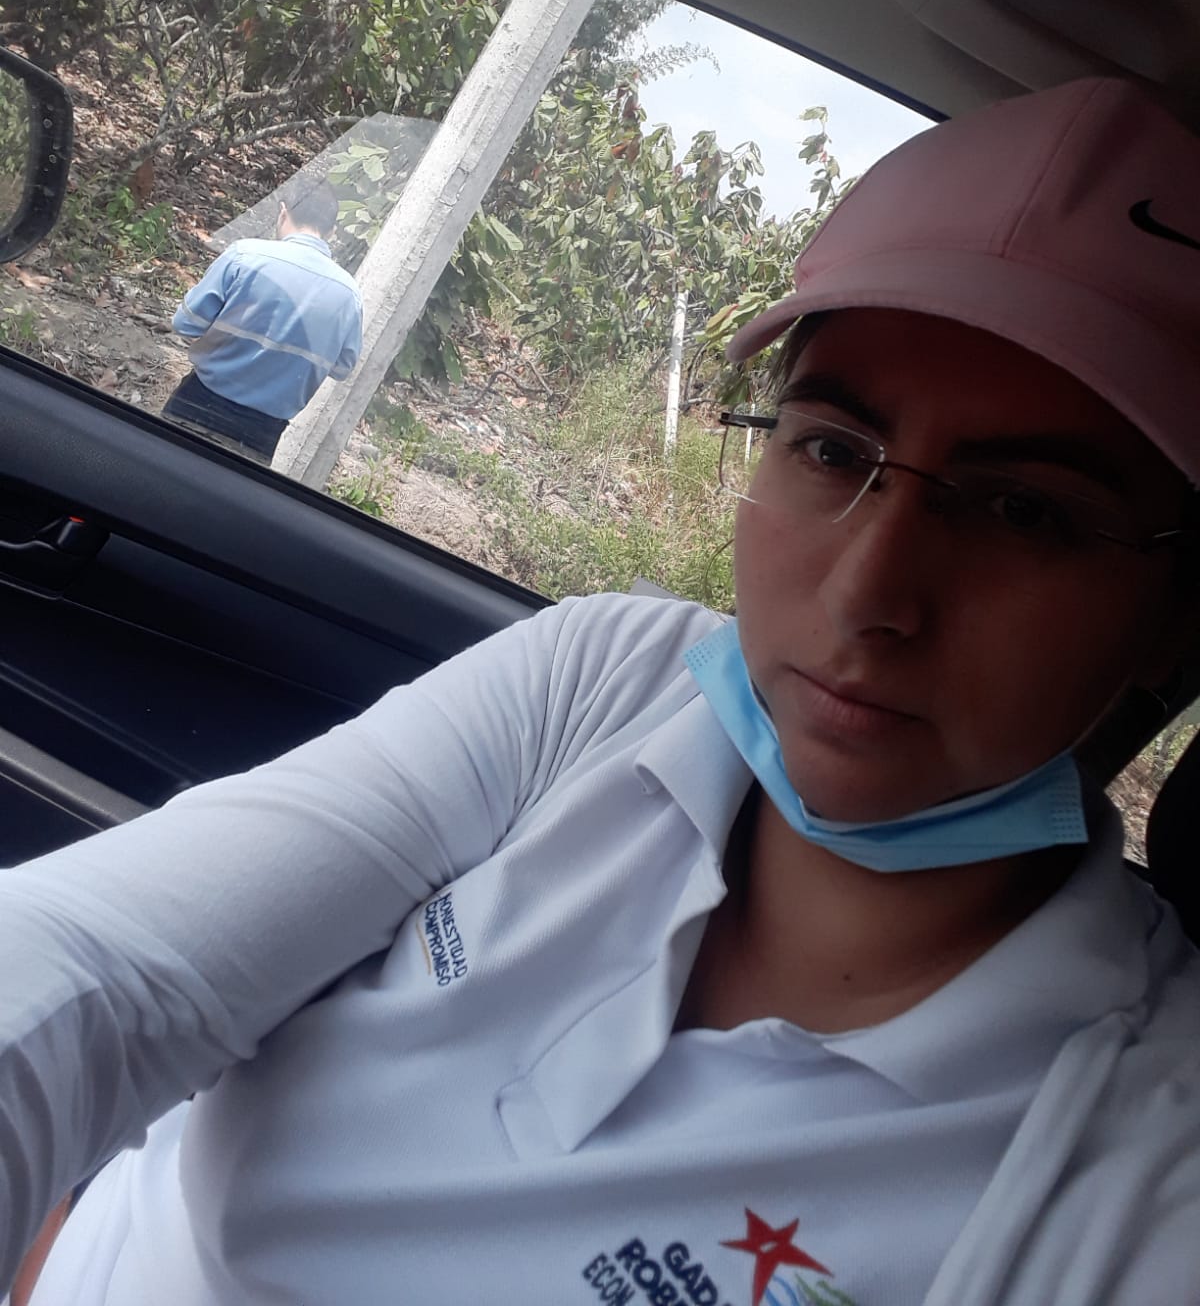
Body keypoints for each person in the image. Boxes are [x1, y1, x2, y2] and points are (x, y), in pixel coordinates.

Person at [4, 76, 1200, 1306]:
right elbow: (100, 968)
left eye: (1025, 511)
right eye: (833, 448)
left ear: (1177, 615)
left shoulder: (1136, 1176)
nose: (868, 593)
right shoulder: (613, 682)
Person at [161, 179, 363, 462]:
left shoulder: (245, 255)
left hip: (197, 404)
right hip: (262, 435)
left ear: (283, 212)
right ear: (331, 231)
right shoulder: (349, 295)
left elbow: (185, 322)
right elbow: (342, 368)